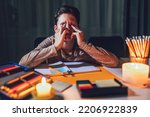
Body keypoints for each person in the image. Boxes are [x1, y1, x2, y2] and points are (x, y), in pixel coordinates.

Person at [19, 5, 118, 68]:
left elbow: (113, 62)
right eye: (62, 24)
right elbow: (23, 63)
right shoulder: (51, 41)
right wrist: (55, 47)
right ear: (55, 29)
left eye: (72, 25)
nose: (67, 28)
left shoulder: (82, 44)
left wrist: (83, 44)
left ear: (78, 28)